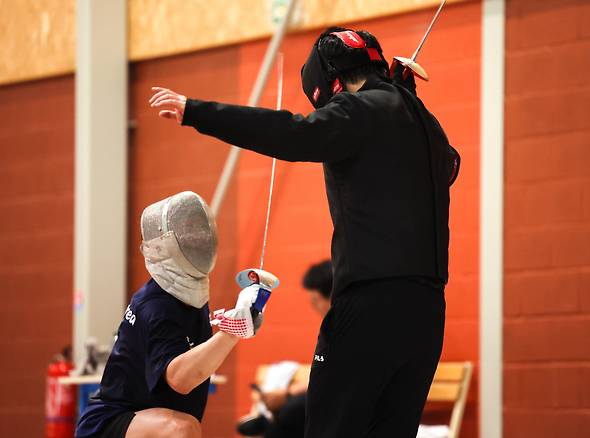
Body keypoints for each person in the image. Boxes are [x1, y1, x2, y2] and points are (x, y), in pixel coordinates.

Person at [149, 27, 459, 438]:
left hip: (370, 309)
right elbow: (447, 168)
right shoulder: (425, 120)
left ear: (328, 81)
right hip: (427, 313)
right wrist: (404, 97)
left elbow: (293, 133)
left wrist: (196, 111)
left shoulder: (358, 110)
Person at [75, 191, 275, 438]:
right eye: (188, 232)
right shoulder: (156, 306)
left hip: (145, 419)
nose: (198, 238)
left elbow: (193, 362)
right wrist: (232, 331)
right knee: (181, 430)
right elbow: (181, 379)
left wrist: (238, 322)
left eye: (198, 231)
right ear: (162, 246)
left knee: (185, 426)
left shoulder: (187, 297)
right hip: (108, 425)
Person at [237, 260, 333, 438]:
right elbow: (327, 373)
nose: (315, 308)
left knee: (292, 411)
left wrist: (287, 395)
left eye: (315, 301)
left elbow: (333, 377)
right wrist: (286, 394)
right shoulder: (334, 328)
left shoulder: (345, 328)